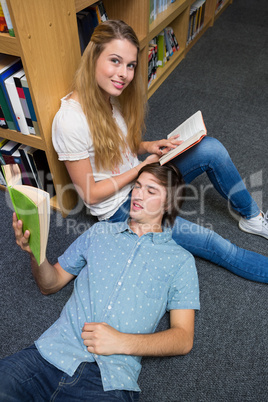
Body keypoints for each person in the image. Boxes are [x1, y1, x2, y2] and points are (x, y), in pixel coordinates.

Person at [52, 20, 268, 283]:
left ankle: (253, 217)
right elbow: (91, 194)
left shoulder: (106, 95)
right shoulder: (69, 121)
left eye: (130, 65)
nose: (124, 74)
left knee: (211, 148)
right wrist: (140, 169)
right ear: (93, 58)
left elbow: (116, 147)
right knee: (214, 242)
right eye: (115, 61)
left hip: (144, 176)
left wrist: (148, 146)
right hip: (122, 209)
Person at [0, 163, 200, 401]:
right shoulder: (99, 233)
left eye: (151, 190)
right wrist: (35, 252)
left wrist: (121, 341)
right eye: (137, 186)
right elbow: (49, 284)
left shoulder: (180, 261)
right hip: (48, 355)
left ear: (168, 204)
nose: (137, 194)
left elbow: (183, 338)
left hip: (108, 380)